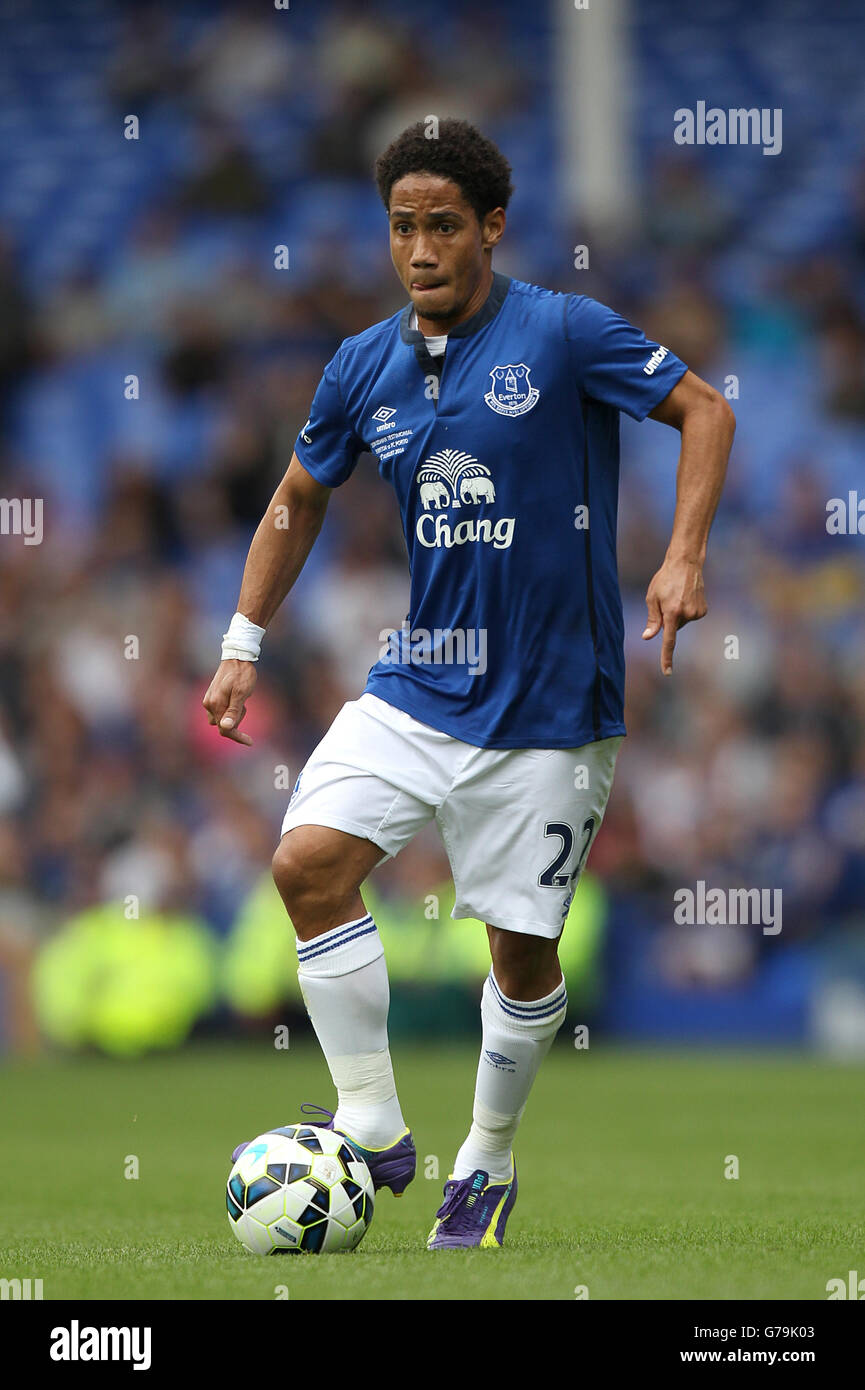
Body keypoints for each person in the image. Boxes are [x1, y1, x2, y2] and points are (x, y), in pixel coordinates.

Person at [203, 119, 735, 1249]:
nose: (420, 249)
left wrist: (683, 553)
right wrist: (243, 637)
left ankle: (484, 1163)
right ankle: (374, 1122)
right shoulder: (362, 366)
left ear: (491, 227)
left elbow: (706, 408)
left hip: (551, 707)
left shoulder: (564, 332)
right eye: (402, 228)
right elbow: (297, 498)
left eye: (443, 225)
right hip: (420, 682)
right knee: (305, 865)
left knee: (519, 949)